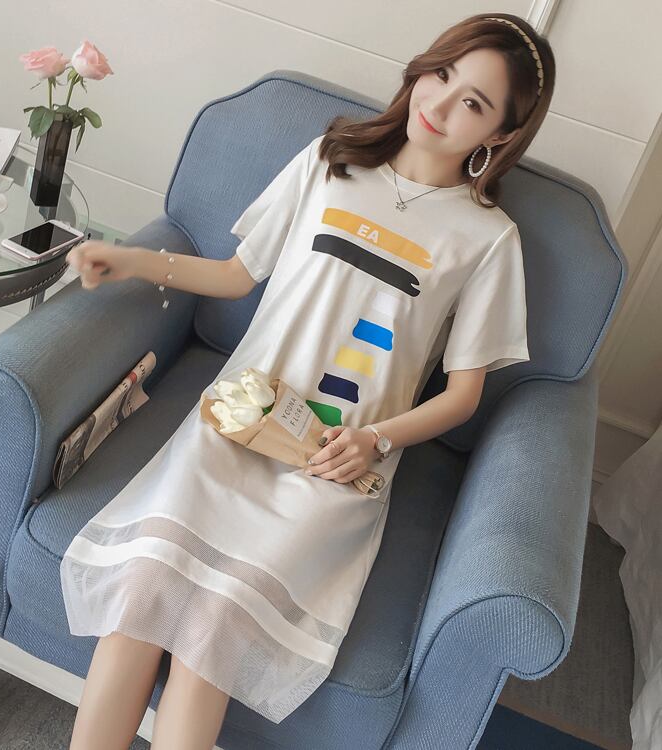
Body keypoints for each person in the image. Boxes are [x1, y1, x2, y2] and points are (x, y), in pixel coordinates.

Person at [61, 12, 555, 750]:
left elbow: (463, 395)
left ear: (501, 133)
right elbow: (237, 275)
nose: (441, 103)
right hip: (236, 422)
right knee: (141, 593)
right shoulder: (332, 160)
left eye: (474, 103)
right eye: (443, 73)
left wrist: (374, 441)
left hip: (330, 461)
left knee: (213, 629)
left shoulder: (487, 239)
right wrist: (129, 260)